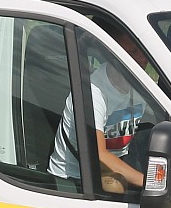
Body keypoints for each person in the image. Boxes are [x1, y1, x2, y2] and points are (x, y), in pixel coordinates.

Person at [47, 29, 152, 194]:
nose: (142, 59)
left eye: (144, 52)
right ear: (113, 54)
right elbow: (99, 155)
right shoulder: (93, 92)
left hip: (116, 165)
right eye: (132, 52)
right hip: (74, 180)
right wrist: (151, 183)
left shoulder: (142, 86)